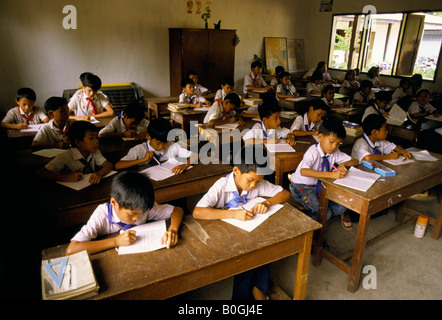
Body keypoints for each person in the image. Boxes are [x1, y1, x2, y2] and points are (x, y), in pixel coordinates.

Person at [193, 145, 290, 300]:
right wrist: (233, 214)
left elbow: (284, 193)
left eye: (258, 181)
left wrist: (267, 203)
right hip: (221, 236)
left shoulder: (258, 183)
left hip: (246, 231)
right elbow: (198, 212)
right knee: (247, 257)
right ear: (236, 171)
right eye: (250, 180)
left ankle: (259, 289)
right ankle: (250, 294)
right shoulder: (221, 185)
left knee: (264, 247)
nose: (253, 186)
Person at [65, 171, 184, 255]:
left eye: (141, 213)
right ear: (114, 202)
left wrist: (173, 230)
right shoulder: (102, 215)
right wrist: (115, 241)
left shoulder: (144, 207)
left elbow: (177, 211)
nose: (137, 218)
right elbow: (72, 249)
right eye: (132, 214)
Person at [289, 118, 359, 230]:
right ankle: (307, 232)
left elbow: (355, 161)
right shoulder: (313, 152)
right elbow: (304, 171)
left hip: (321, 187)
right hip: (301, 187)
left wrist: (343, 164)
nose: (334, 146)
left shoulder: (334, 152)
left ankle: (323, 214)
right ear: (320, 137)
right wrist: (331, 175)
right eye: (331, 142)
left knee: (341, 207)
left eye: (338, 143)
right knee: (323, 212)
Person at [36, 121, 113, 184]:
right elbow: (41, 173)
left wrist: (99, 174)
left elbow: (108, 165)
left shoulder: (94, 152)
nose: (96, 141)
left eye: (96, 137)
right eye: (92, 138)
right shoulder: (66, 157)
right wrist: (66, 177)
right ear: (78, 142)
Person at [114, 117, 197, 172]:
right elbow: (118, 165)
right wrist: (142, 160)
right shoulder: (139, 150)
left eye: (165, 143)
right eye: (158, 143)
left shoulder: (171, 145)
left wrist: (185, 165)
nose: (161, 147)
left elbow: (195, 155)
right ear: (148, 136)